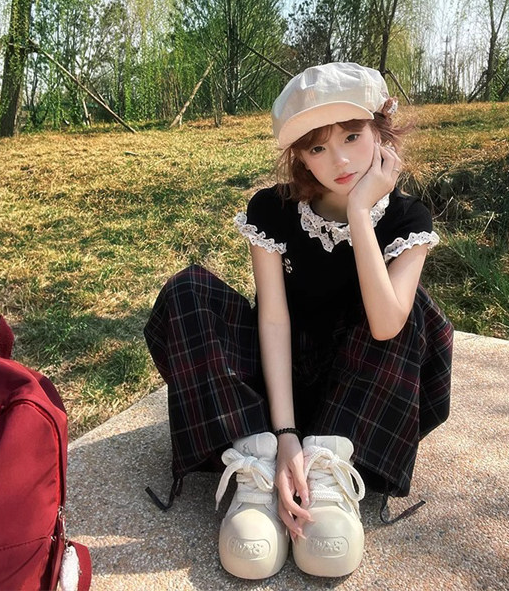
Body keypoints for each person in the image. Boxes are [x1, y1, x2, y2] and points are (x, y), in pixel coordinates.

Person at [144, 62, 453, 580]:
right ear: (299, 156)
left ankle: (329, 471)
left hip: (360, 391)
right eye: (317, 148)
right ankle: (259, 464)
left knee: (410, 309)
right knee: (188, 291)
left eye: (352, 136)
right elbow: (272, 319)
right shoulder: (274, 209)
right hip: (275, 384)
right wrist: (284, 433)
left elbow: (385, 325)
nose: (340, 160)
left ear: (381, 131)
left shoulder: (407, 219)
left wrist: (360, 213)